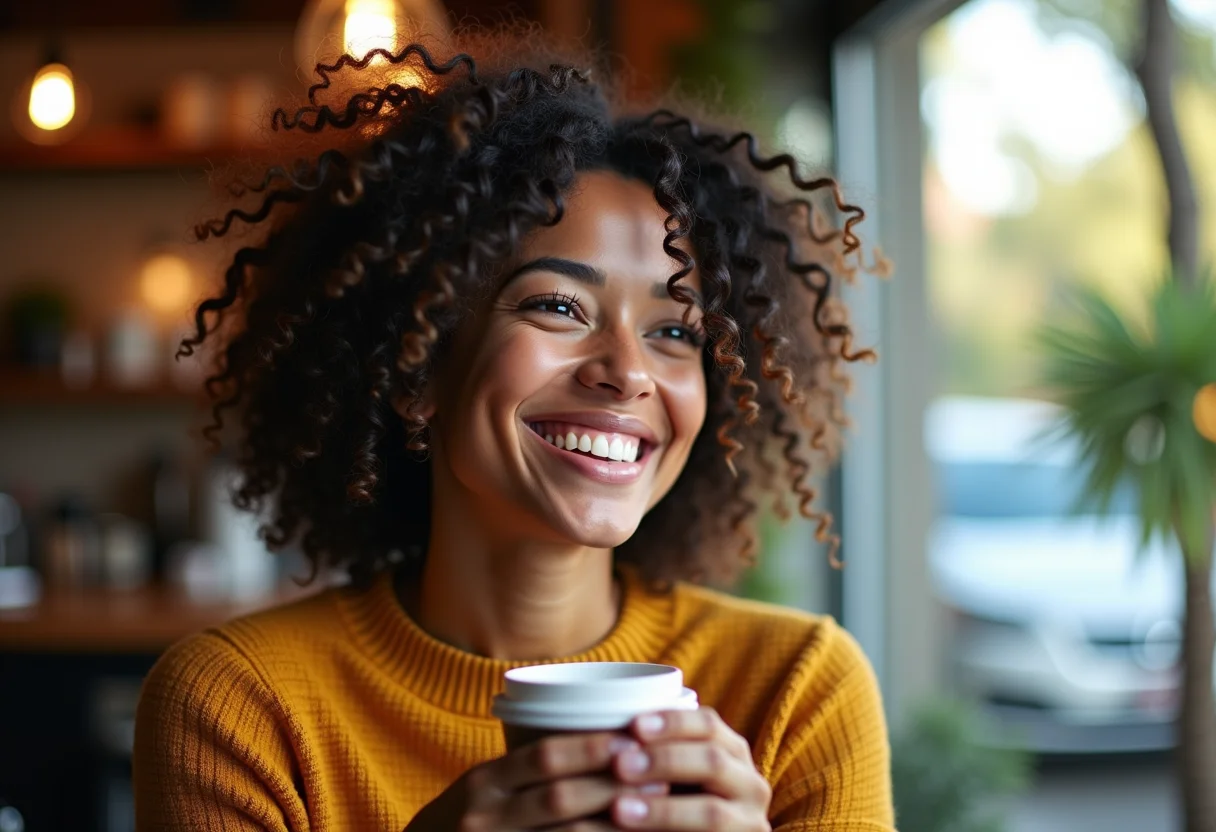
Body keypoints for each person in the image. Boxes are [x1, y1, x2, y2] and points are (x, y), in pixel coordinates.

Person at [133, 27, 894, 832]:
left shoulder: (795, 690)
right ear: (417, 368)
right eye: (558, 307)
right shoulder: (240, 705)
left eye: (675, 331)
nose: (629, 371)